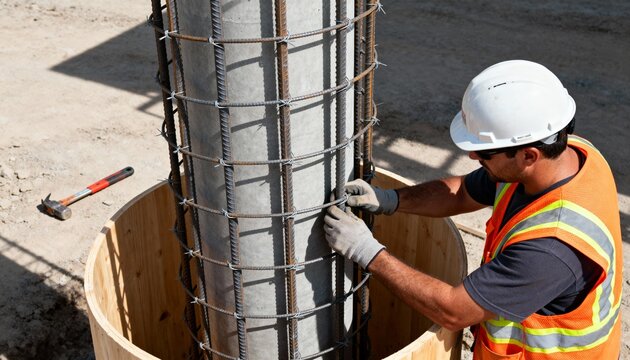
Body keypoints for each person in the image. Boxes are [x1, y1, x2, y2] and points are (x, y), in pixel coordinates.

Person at [324, 60, 622, 359]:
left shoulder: (550, 250)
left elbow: (453, 311)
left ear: (528, 155)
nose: (471, 154)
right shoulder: (570, 156)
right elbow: (462, 192)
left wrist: (366, 251)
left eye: (484, 152)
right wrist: (391, 200)